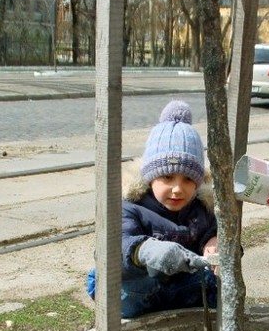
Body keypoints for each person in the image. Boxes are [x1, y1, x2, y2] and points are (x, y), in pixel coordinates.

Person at [86, 100, 218, 318]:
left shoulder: (200, 209)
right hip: (140, 290)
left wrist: (213, 240)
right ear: (150, 176)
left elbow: (216, 231)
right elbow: (116, 247)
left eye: (187, 180)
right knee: (118, 290)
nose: (177, 189)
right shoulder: (132, 207)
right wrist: (144, 251)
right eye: (167, 177)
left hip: (182, 289)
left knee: (215, 282)